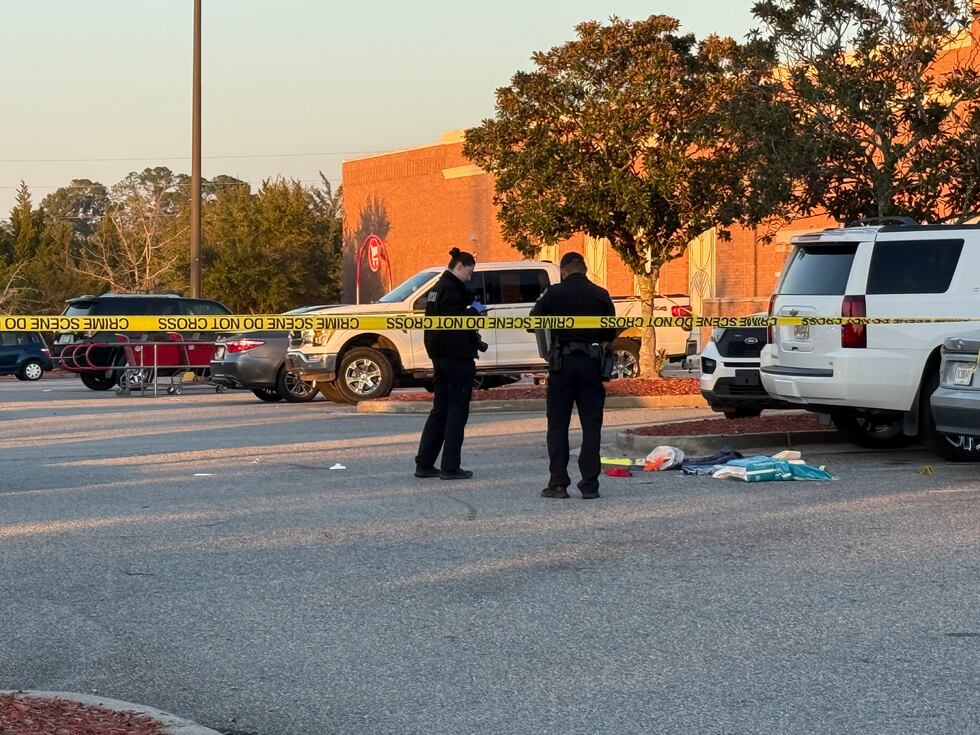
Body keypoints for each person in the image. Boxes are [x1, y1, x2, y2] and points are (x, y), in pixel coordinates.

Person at [530, 251, 617, 499]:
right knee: (592, 425)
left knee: (558, 425)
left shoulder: (554, 293)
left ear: (564, 270)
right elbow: (609, 332)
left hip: (563, 365)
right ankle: (590, 485)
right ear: (585, 269)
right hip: (591, 365)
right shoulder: (600, 294)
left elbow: (533, 321)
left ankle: (558, 483)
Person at [414, 247, 488, 480]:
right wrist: (474, 312)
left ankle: (425, 463)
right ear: (459, 266)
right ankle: (450, 466)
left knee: (440, 410)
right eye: (469, 272)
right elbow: (454, 322)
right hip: (456, 357)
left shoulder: (437, 288)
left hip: (439, 356)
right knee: (457, 411)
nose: (469, 277)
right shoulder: (452, 289)